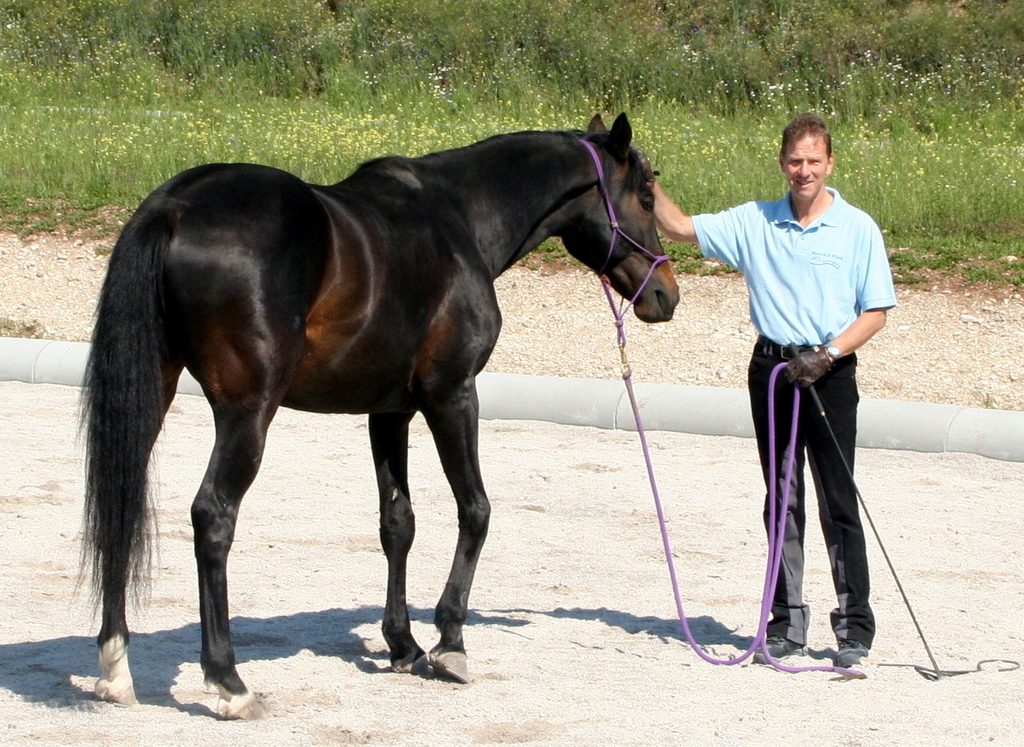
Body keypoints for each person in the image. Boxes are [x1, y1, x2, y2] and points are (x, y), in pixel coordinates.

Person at [652, 113, 897, 668]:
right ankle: (785, 619)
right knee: (782, 499)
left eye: (813, 160)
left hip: (829, 373)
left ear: (829, 164)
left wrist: (828, 353)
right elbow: (680, 227)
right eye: (794, 161)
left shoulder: (858, 228)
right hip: (773, 372)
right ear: (782, 163)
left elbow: (876, 311)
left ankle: (854, 627)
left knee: (839, 500)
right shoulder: (756, 221)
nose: (803, 170)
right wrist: (644, 176)